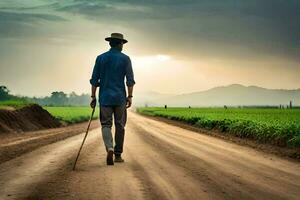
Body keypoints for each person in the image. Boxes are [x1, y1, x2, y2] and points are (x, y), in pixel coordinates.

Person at [89, 33, 135, 165]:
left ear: (110, 43)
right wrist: (130, 96)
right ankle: (118, 155)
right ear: (119, 44)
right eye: (122, 44)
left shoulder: (100, 58)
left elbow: (94, 80)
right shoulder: (125, 59)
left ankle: (109, 147)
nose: (123, 46)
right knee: (120, 125)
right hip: (120, 97)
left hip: (105, 97)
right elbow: (130, 80)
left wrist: (93, 96)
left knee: (106, 125)